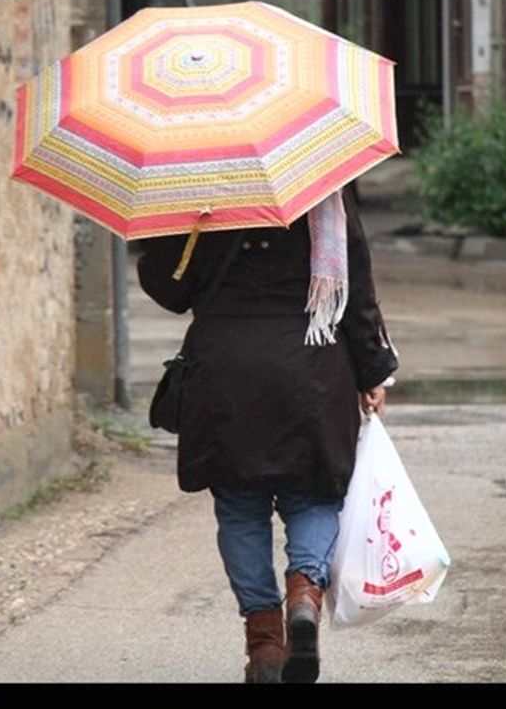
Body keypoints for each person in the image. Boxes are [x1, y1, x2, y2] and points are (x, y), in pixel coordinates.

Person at [136, 183, 399, 684]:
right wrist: (373, 370)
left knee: (239, 506)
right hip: (312, 366)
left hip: (225, 369)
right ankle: (303, 594)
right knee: (315, 495)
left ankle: (264, 645)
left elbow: (168, 289)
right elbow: (356, 287)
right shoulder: (323, 186)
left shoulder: (197, 189)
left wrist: (170, 229)